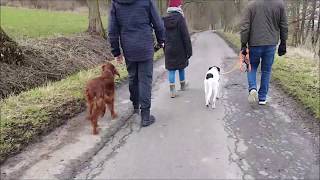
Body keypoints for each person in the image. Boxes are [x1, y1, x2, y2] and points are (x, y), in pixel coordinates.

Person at [108, 0, 165, 127]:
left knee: (133, 77)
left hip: (129, 48)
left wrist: (116, 51)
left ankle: (135, 106)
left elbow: (112, 30)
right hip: (145, 45)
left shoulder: (116, 3)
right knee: (145, 80)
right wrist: (161, 40)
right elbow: (158, 24)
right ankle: (145, 116)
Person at [240, 0, 288, 105]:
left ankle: (252, 88)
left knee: (251, 67)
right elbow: (284, 25)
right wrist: (283, 42)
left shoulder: (251, 5)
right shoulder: (279, 4)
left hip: (254, 44)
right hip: (271, 44)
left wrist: (243, 44)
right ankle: (262, 98)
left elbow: (245, 27)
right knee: (266, 71)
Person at [163, 0, 192, 98]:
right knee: (181, 67)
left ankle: (172, 91)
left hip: (169, 49)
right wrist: (189, 50)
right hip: (180, 48)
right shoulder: (180, 18)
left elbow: (162, 36)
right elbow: (185, 36)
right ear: (178, 6)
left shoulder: (164, 19)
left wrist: (163, 47)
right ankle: (183, 85)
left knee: (171, 69)